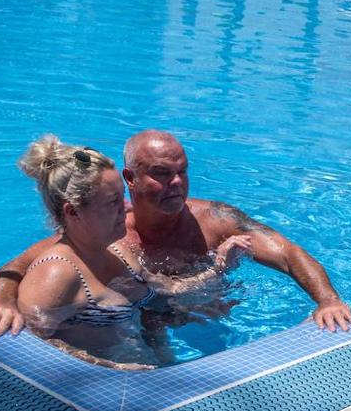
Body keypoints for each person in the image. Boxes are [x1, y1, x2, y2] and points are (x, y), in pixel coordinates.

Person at [0, 130, 351, 339]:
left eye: (182, 171)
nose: (177, 183)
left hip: (205, 321)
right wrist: (3, 302)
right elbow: (16, 269)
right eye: (161, 173)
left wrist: (328, 301)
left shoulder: (215, 220)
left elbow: (287, 253)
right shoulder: (106, 233)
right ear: (130, 179)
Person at [14, 135, 251, 369]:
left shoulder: (119, 253)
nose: (127, 207)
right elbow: (29, 347)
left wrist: (219, 266)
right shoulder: (56, 274)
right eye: (113, 202)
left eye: (123, 197)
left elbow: (169, 291)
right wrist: (109, 367)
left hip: (148, 376)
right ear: (73, 212)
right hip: (107, 386)